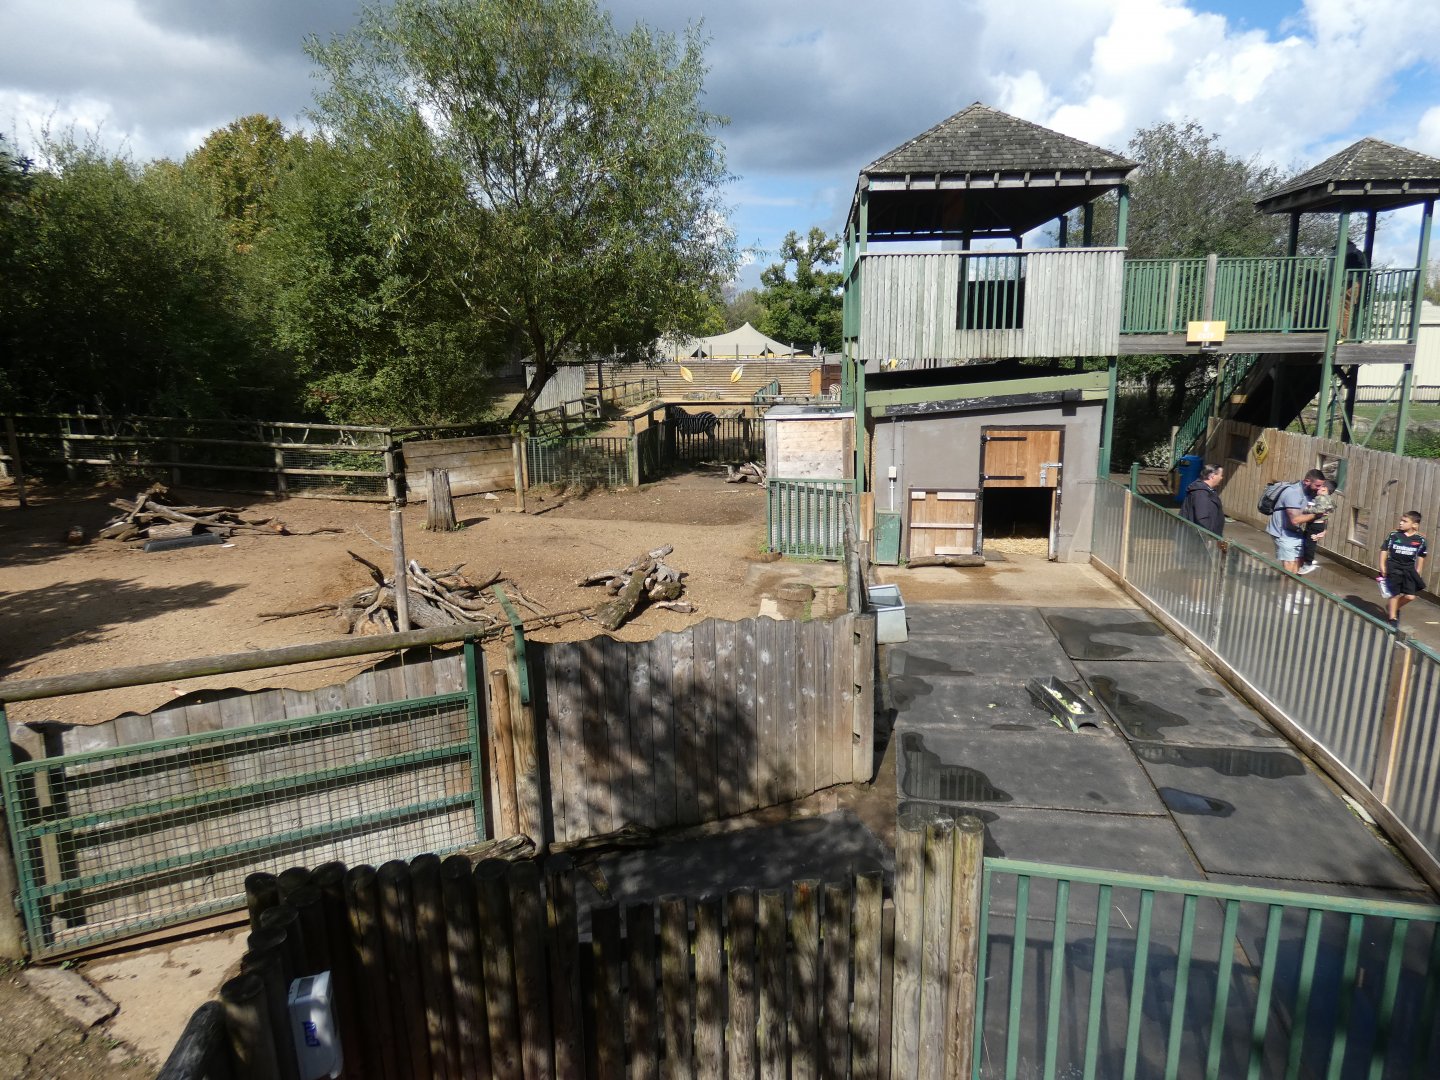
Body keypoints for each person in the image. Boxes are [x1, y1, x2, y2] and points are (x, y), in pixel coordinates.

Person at [1379, 511, 1428, 630]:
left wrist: (1418, 570)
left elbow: (1421, 555)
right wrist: (1382, 566)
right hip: (1393, 567)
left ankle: (1392, 608)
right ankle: (1392, 618)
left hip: (1409, 569)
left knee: (1410, 596)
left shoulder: (1420, 539)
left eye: (1405, 521)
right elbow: (1384, 549)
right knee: (1394, 594)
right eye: (1401, 520)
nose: (1401, 523)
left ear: (1414, 525)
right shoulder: (1394, 534)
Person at [1297, 479, 1336, 575]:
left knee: (1310, 544)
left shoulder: (1321, 498)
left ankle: (1308, 563)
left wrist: (1305, 510)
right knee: (1307, 541)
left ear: (1324, 489)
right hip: (1317, 524)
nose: (1317, 489)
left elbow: (1319, 510)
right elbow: (1332, 508)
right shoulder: (1327, 498)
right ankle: (1308, 560)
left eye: (1319, 487)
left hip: (1315, 525)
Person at [1179, 463, 1225, 535]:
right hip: (1198, 538)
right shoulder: (1201, 493)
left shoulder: (1207, 490)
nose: (1221, 478)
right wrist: (1209, 536)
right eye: (1220, 475)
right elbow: (1202, 518)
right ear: (1212, 476)